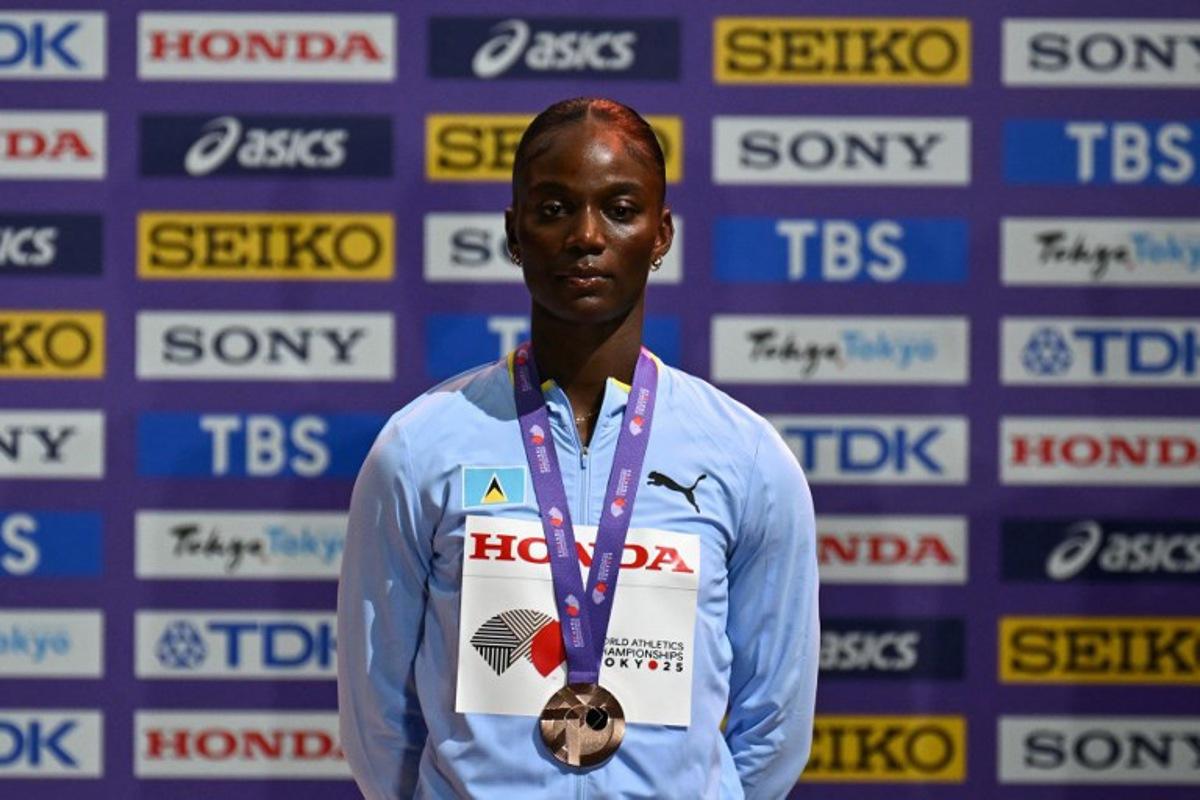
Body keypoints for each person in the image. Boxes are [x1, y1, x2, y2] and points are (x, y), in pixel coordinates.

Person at [338, 97, 819, 799]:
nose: (586, 236)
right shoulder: (420, 447)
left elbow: (775, 721)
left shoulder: (745, 457)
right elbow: (376, 717)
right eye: (555, 208)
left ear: (661, 234)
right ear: (514, 232)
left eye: (620, 208)